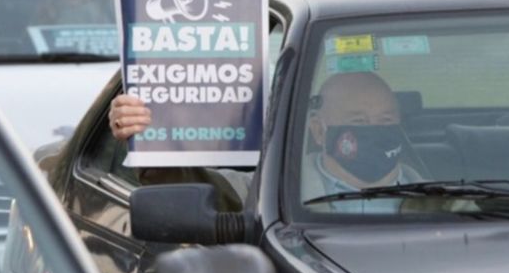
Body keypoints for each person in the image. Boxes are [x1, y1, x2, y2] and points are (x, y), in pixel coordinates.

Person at [109, 71, 434, 213]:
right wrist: (147, 134)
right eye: (359, 122)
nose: (375, 130)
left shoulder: (444, 202)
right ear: (319, 131)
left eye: (386, 121)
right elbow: (189, 186)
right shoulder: (268, 192)